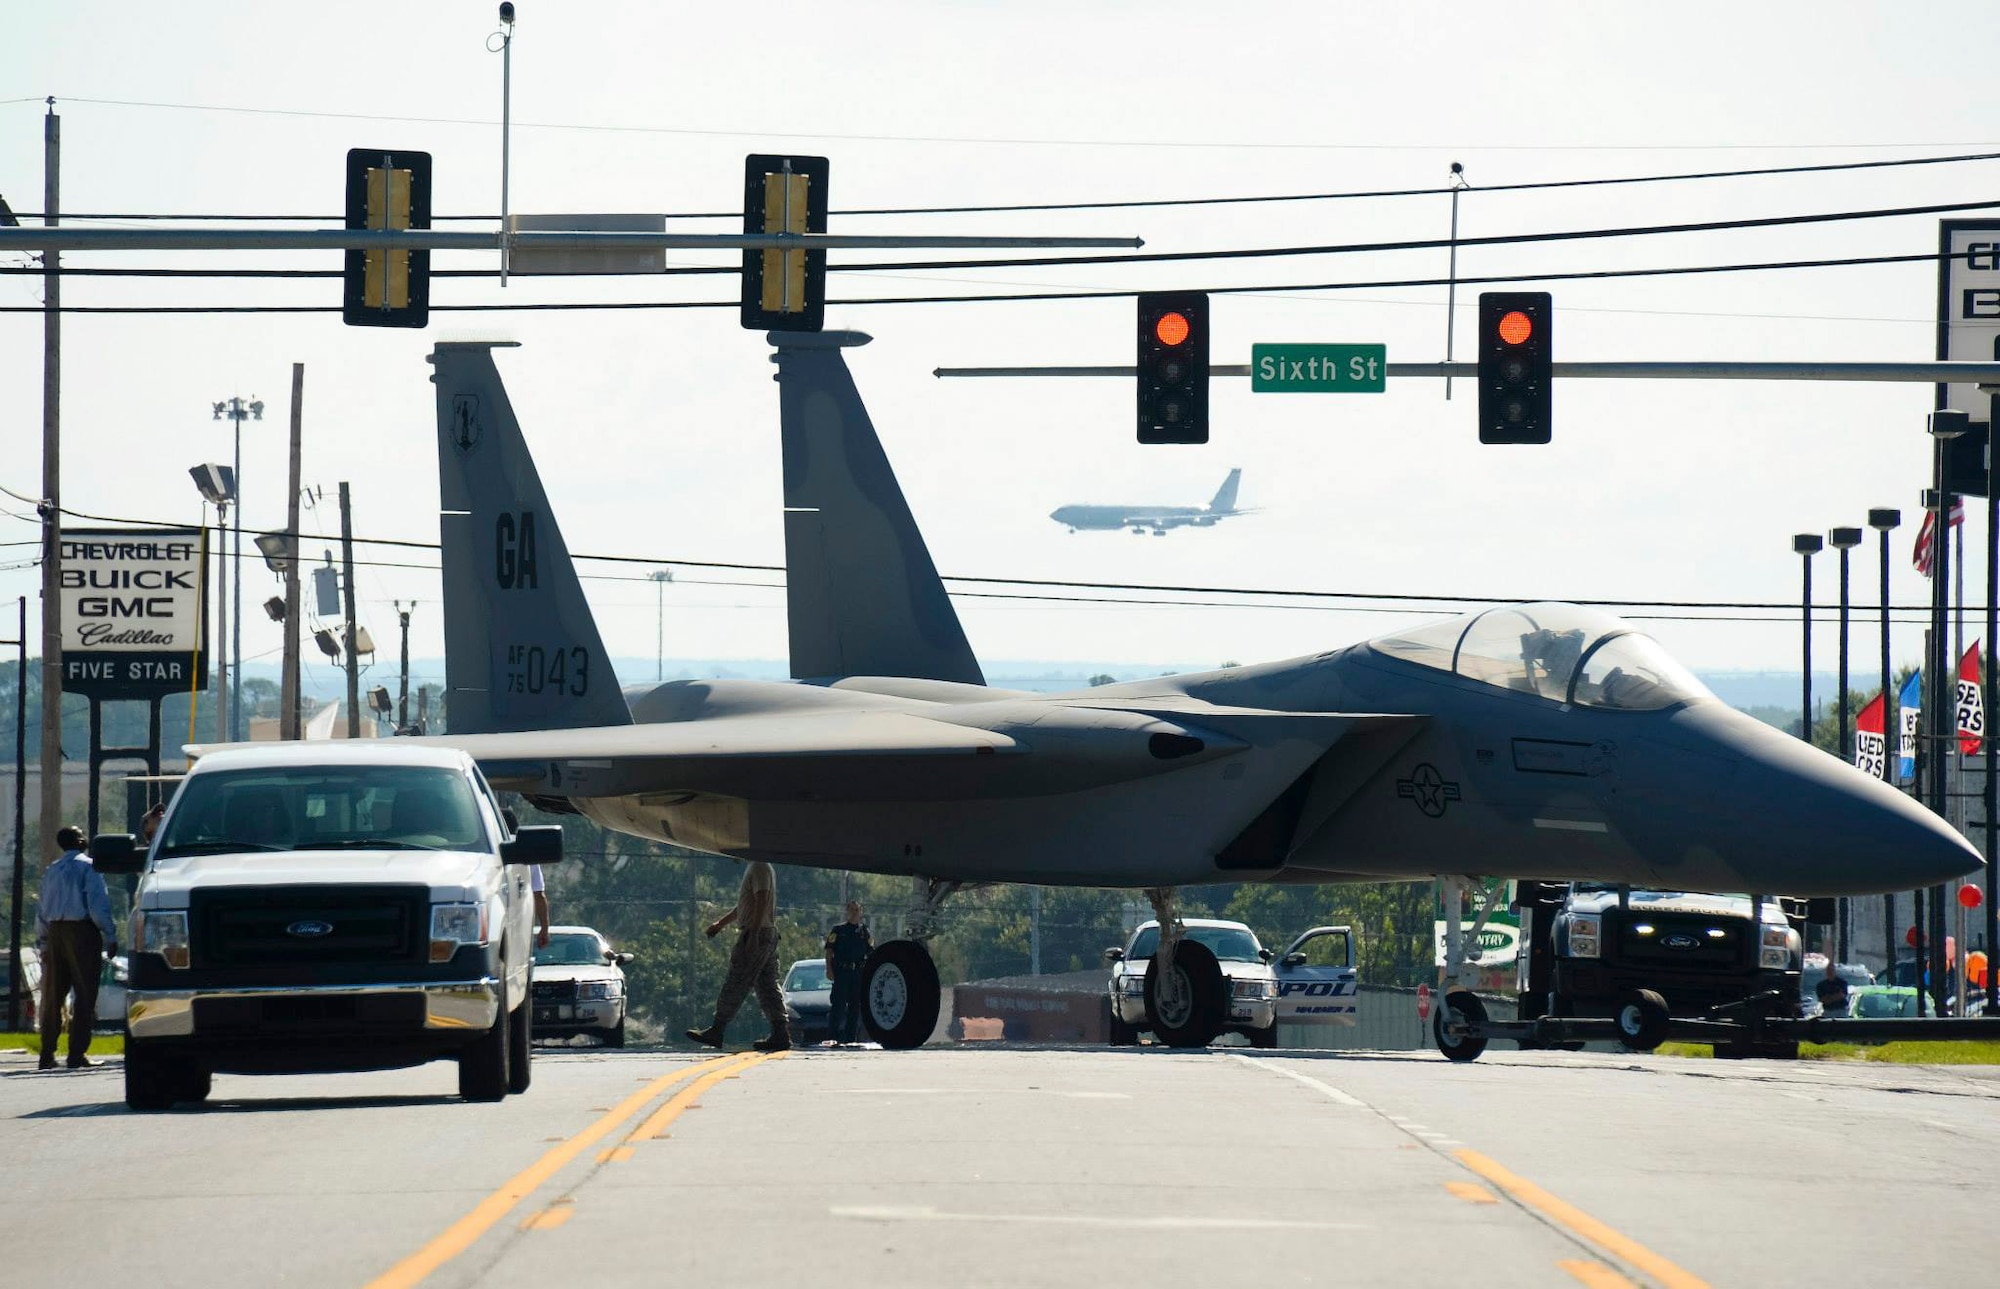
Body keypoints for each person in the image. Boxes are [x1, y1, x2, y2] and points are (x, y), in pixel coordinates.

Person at [35, 826, 118, 1070]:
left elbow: (41, 910)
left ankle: (47, 1054)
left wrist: (43, 942)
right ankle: (76, 1053)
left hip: (55, 932)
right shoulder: (88, 866)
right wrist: (110, 934)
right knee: (84, 994)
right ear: (79, 841)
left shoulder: (52, 871)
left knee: (53, 995)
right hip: (82, 931)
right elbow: (96, 905)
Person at [686, 860, 790, 1052]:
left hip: (758, 932)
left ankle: (718, 1029)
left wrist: (754, 933)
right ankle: (780, 1032)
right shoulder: (758, 866)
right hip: (766, 932)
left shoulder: (759, 866)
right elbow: (745, 906)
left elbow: (762, 899)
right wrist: (720, 924)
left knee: (737, 980)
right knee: (767, 984)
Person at [500, 808, 550, 949]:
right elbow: (538, 894)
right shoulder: (526, 849)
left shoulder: (483, 845)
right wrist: (544, 929)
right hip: (519, 927)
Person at [824, 900, 872, 1045]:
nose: (854, 913)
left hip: (857, 973)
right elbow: (829, 951)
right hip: (842, 973)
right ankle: (832, 1037)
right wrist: (829, 969)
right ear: (847, 912)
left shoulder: (864, 932)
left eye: (857, 910)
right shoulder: (838, 930)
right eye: (851, 910)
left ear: (861, 912)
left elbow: (871, 951)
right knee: (838, 1006)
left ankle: (850, 1038)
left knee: (854, 1007)